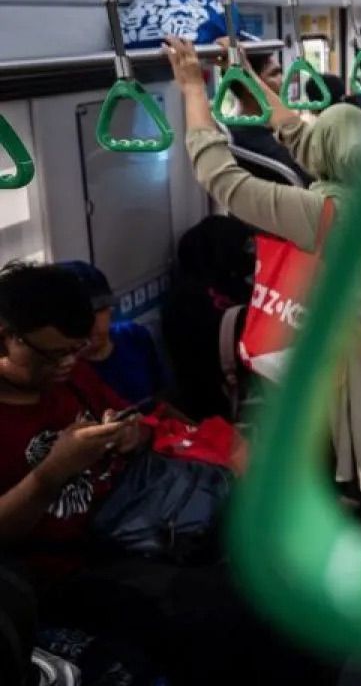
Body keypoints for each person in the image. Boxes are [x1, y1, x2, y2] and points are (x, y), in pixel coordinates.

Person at [0, 263, 337, 685]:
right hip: (75, 566)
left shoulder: (68, 375)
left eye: (75, 350)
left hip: (139, 511)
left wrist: (130, 434)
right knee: (234, 612)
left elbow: (139, 424)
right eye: (54, 354)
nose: (68, 363)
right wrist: (53, 472)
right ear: (5, 338)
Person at [165, 36, 361, 506]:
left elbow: (223, 180)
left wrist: (193, 91)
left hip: (354, 353)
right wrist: (244, 78)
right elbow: (297, 131)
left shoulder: (327, 214)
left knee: (354, 451)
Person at [161, 216, 255, 420]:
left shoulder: (222, 286)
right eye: (245, 248)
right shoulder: (188, 304)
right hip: (212, 409)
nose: (250, 256)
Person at [56, 261, 165, 407]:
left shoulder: (133, 336)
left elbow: (159, 400)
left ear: (110, 309)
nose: (91, 323)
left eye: (98, 311)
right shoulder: (64, 372)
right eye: (79, 316)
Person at [224, 49, 314, 187]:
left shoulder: (235, 128)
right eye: (274, 74)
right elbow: (311, 179)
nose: (283, 81)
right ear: (249, 85)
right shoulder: (257, 142)